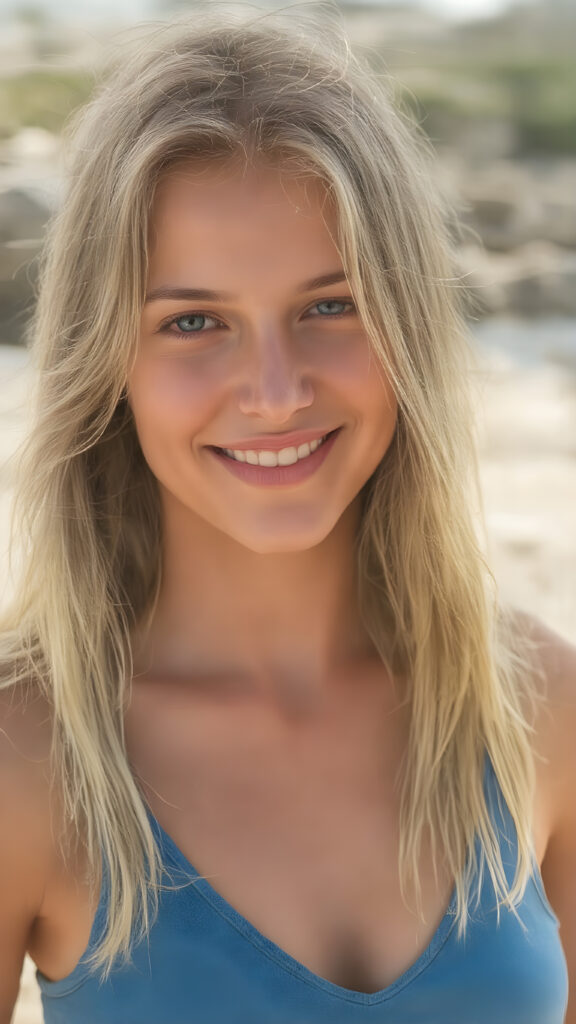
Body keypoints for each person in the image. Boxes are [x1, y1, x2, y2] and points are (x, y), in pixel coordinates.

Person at [0, 7, 574, 1023]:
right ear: (108, 363)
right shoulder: (27, 754)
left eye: (329, 305)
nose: (273, 390)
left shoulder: (539, 710)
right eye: (192, 321)